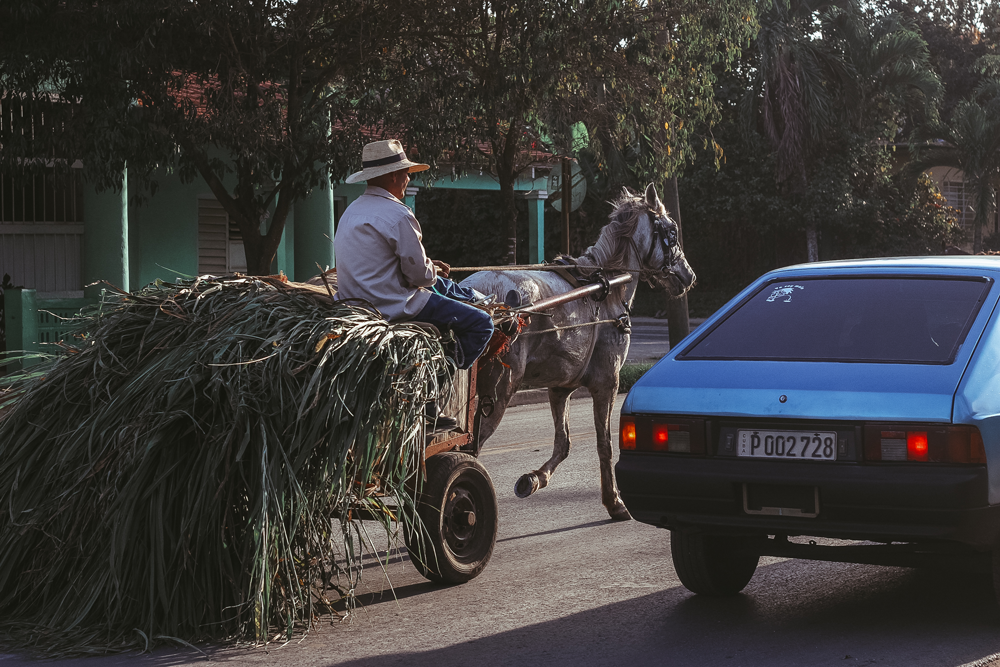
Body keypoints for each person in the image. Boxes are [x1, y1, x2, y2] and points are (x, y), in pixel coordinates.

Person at [334, 139, 495, 379]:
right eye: (406, 174)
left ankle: (474, 297)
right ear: (393, 176)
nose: (408, 179)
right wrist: (429, 270)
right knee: (482, 324)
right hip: (392, 305)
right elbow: (419, 276)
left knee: (440, 282)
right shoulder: (398, 214)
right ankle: (437, 380)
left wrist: (430, 268)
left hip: (354, 300)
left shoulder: (351, 211)